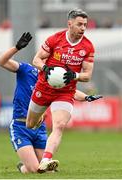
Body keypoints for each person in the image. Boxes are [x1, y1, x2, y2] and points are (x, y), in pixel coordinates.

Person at [26, 9, 96, 173]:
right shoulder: (54, 39)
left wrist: (75, 75)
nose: (83, 28)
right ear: (69, 23)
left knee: (59, 126)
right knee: (30, 124)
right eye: (79, 24)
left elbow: (87, 76)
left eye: (85, 25)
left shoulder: (87, 47)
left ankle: (45, 160)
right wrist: (45, 68)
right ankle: (42, 115)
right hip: (44, 87)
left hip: (65, 92)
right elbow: (36, 59)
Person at [0, 32, 49, 174]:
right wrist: (16, 48)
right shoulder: (26, 70)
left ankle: (31, 163)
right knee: (35, 169)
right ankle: (22, 167)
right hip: (21, 126)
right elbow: (1, 61)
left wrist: (86, 97)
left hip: (39, 128)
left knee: (45, 171)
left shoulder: (51, 79)